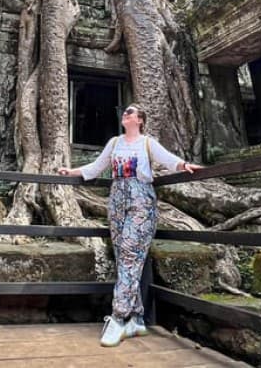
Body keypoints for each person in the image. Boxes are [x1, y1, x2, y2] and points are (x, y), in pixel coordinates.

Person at [57, 103, 203, 347]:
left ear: (140, 120)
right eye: (124, 111)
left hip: (141, 200)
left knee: (128, 254)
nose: (125, 113)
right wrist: (71, 171)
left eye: (131, 112)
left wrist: (183, 165)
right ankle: (136, 319)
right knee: (123, 255)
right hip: (116, 199)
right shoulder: (114, 142)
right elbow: (96, 167)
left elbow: (168, 160)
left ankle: (118, 317)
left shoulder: (147, 143)